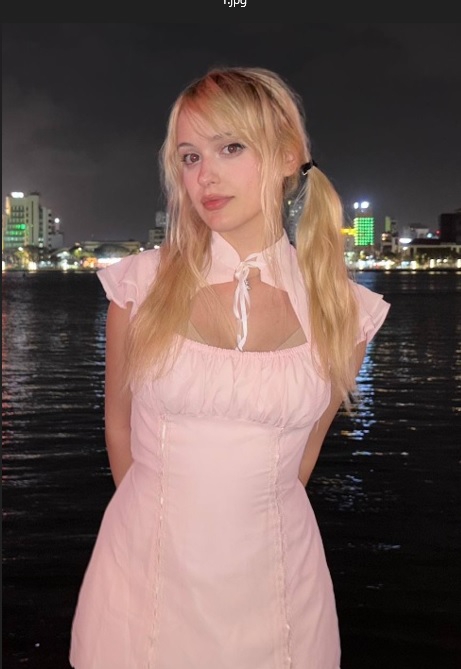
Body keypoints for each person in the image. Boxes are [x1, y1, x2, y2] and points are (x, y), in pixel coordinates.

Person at [69, 66, 390, 669]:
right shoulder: (140, 287)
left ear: (289, 155)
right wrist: (151, 536)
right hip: (142, 577)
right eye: (189, 157)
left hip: (278, 587)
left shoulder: (343, 312)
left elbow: (302, 462)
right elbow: (118, 426)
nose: (205, 176)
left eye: (230, 148)